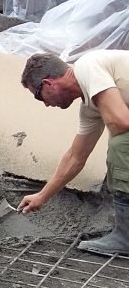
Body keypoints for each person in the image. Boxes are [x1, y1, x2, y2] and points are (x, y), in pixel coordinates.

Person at [19, 52, 129, 255]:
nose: (45, 104)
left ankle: (126, 237)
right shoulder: (91, 106)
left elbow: (121, 122)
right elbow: (75, 157)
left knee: (121, 145)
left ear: (48, 83)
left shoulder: (87, 67)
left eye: (38, 95)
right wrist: (42, 196)